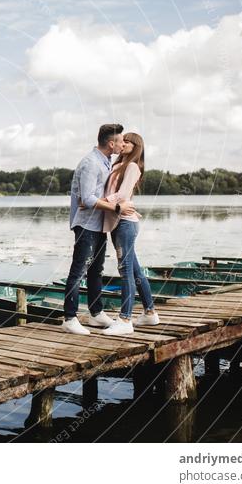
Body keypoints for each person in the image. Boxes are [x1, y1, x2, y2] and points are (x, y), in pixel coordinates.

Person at [61, 124, 136, 335]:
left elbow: (97, 195)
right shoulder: (91, 163)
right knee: (79, 271)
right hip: (86, 225)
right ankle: (69, 318)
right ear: (111, 144)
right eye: (121, 141)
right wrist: (116, 207)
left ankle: (96, 313)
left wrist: (105, 202)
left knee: (96, 270)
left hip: (98, 224)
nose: (123, 144)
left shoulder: (106, 161)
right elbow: (86, 198)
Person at [101, 132, 160, 335]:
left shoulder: (132, 166)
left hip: (125, 223)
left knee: (125, 270)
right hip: (118, 222)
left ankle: (125, 320)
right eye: (122, 140)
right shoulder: (117, 164)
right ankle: (150, 313)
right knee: (134, 270)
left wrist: (98, 203)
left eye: (127, 141)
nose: (123, 143)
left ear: (136, 147)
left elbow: (124, 195)